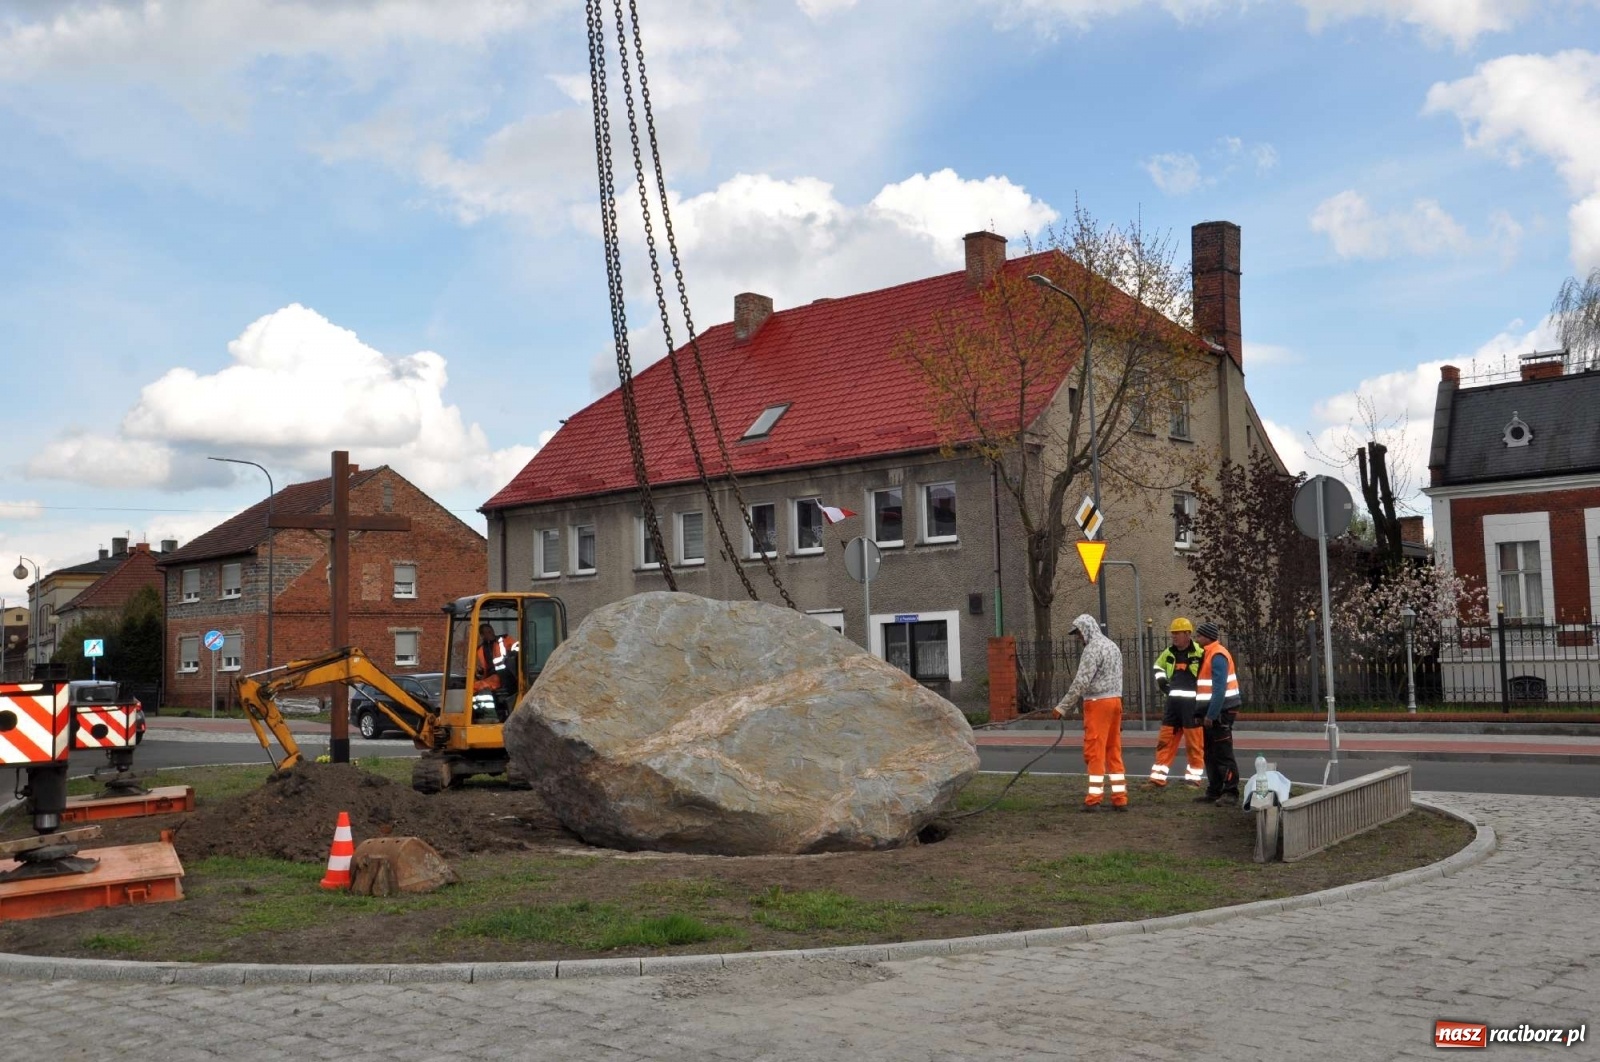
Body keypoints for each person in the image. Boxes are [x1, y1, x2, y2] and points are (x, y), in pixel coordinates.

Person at [1052, 613, 1127, 811]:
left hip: (1098, 704)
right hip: (1115, 701)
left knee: (1095, 751)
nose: (1078, 637)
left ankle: (1094, 799)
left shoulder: (1092, 649)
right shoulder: (1112, 646)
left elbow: (1081, 682)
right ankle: (1120, 798)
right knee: (1113, 750)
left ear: (1086, 630)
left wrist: (1063, 706)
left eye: (1078, 633)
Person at [1146, 618, 1206, 789]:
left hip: (1192, 707)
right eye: (1172, 633)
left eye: (1177, 633)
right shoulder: (1169, 652)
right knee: (1165, 742)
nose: (1173, 636)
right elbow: (1158, 667)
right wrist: (1162, 682)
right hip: (1173, 706)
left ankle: (1193, 779)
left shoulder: (1200, 652)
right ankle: (1157, 779)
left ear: (1187, 634)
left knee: (1194, 744)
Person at [1192, 621, 1242, 805]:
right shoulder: (1208, 653)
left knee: (1222, 752)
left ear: (1207, 637)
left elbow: (1219, 689)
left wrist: (1211, 715)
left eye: (1199, 636)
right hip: (1214, 711)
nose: (1196, 639)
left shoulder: (1217, 654)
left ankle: (1230, 792)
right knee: (1210, 753)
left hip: (1222, 711)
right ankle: (1214, 790)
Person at [473, 622, 520, 723]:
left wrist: (512, 654)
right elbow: (482, 668)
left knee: (476, 687)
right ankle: (483, 714)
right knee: (472, 687)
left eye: (491, 631)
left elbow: (518, 646)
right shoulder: (480, 649)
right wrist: (480, 671)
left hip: (505, 675)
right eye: (487, 632)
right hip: (491, 676)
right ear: (482, 635)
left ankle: (490, 716)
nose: (491, 633)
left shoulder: (504, 639)